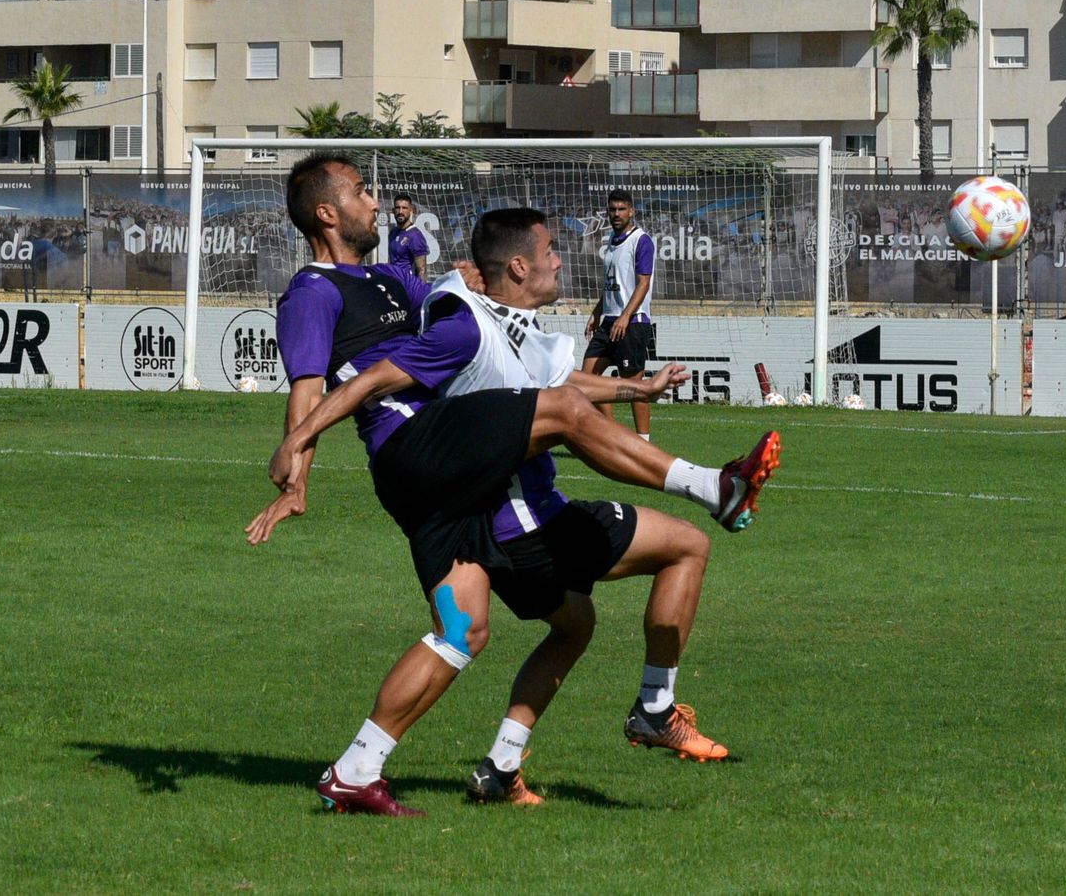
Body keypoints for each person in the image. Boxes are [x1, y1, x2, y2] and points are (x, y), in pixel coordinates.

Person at [248, 154, 778, 816]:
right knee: (557, 411)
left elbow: (463, 317)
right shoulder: (312, 293)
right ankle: (714, 488)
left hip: (456, 477)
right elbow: (310, 387)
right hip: (416, 452)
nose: (377, 201)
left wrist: (470, 283)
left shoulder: (389, 280)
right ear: (326, 212)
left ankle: (357, 771)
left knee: (461, 630)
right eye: (360, 192)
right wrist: (296, 468)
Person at [583, 189, 656, 440]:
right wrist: (597, 312)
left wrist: (625, 317)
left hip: (632, 322)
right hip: (609, 320)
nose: (616, 213)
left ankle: (643, 441)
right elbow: (612, 285)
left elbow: (643, 284)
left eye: (621, 209)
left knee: (634, 385)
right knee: (588, 379)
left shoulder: (641, 240)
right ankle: (611, 435)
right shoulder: (611, 241)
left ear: (631, 211)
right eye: (612, 209)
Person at [387, 193, 429, 281]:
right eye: (398, 208)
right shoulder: (393, 233)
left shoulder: (415, 235)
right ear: (393, 210)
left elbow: (422, 270)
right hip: (395, 284)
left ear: (411, 210)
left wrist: (420, 293)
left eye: (404, 208)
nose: (400, 212)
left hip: (408, 286)